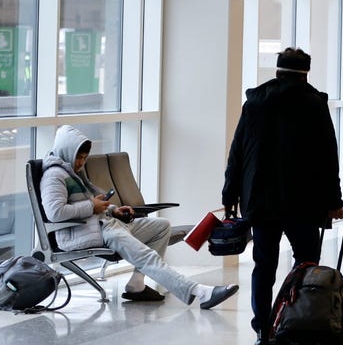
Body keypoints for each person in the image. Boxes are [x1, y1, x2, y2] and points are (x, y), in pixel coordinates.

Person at [223, 48, 343, 345]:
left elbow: (237, 151)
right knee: (306, 265)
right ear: (306, 72)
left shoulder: (255, 103)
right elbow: (328, 158)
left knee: (264, 264)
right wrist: (334, 201)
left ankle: (264, 330)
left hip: (261, 201)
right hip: (303, 202)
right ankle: (297, 324)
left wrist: (229, 193)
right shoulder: (315, 104)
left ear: (277, 71)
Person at [40, 125, 239, 308]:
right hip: (87, 232)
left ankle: (136, 284)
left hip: (104, 224)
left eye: (84, 158)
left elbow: (91, 206)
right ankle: (200, 292)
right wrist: (92, 206)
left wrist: (112, 210)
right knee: (146, 256)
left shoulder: (73, 173)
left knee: (161, 226)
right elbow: (55, 212)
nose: (81, 162)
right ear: (66, 151)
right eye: (78, 158)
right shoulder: (54, 176)